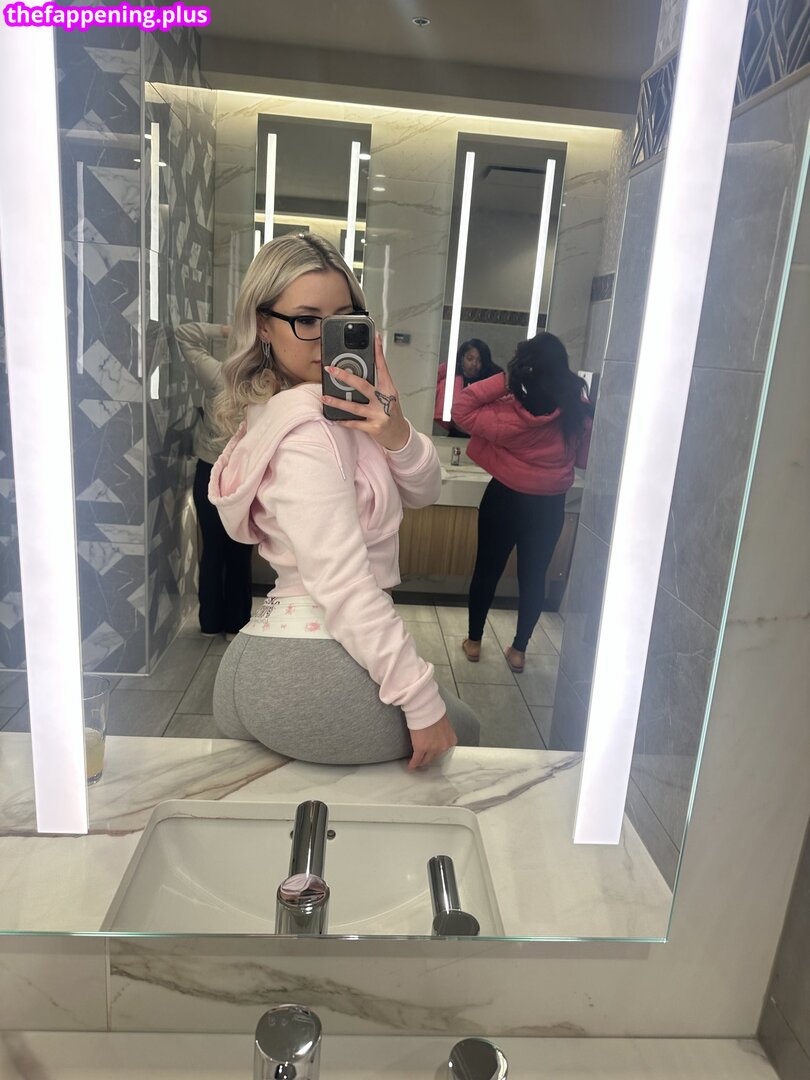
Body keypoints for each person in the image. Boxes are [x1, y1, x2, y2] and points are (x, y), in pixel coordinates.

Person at [208, 233, 480, 769]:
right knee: (464, 732)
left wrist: (395, 431)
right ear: (263, 325)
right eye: (306, 320)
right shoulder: (310, 431)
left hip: (274, 652)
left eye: (344, 319)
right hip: (312, 665)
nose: (324, 339)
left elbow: (425, 489)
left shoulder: (307, 415)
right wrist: (420, 700)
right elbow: (343, 581)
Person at [451, 332, 593, 674]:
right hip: (549, 506)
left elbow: (461, 409)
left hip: (504, 499)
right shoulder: (575, 413)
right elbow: (585, 459)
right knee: (534, 578)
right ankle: (518, 651)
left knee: (487, 570)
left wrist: (506, 380)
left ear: (525, 367)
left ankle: (474, 642)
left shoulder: (510, 412)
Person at [175, 321, 253, 638]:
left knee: (213, 549)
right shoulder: (267, 384)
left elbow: (185, 334)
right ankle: (236, 623)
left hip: (210, 470)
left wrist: (225, 329)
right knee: (239, 549)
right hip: (245, 474)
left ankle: (210, 623)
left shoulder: (217, 374)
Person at [433, 338, 502, 438]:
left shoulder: (490, 383)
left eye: (480, 360)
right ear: (462, 358)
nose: (474, 364)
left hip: (483, 435)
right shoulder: (450, 379)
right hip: (454, 433)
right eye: (470, 358)